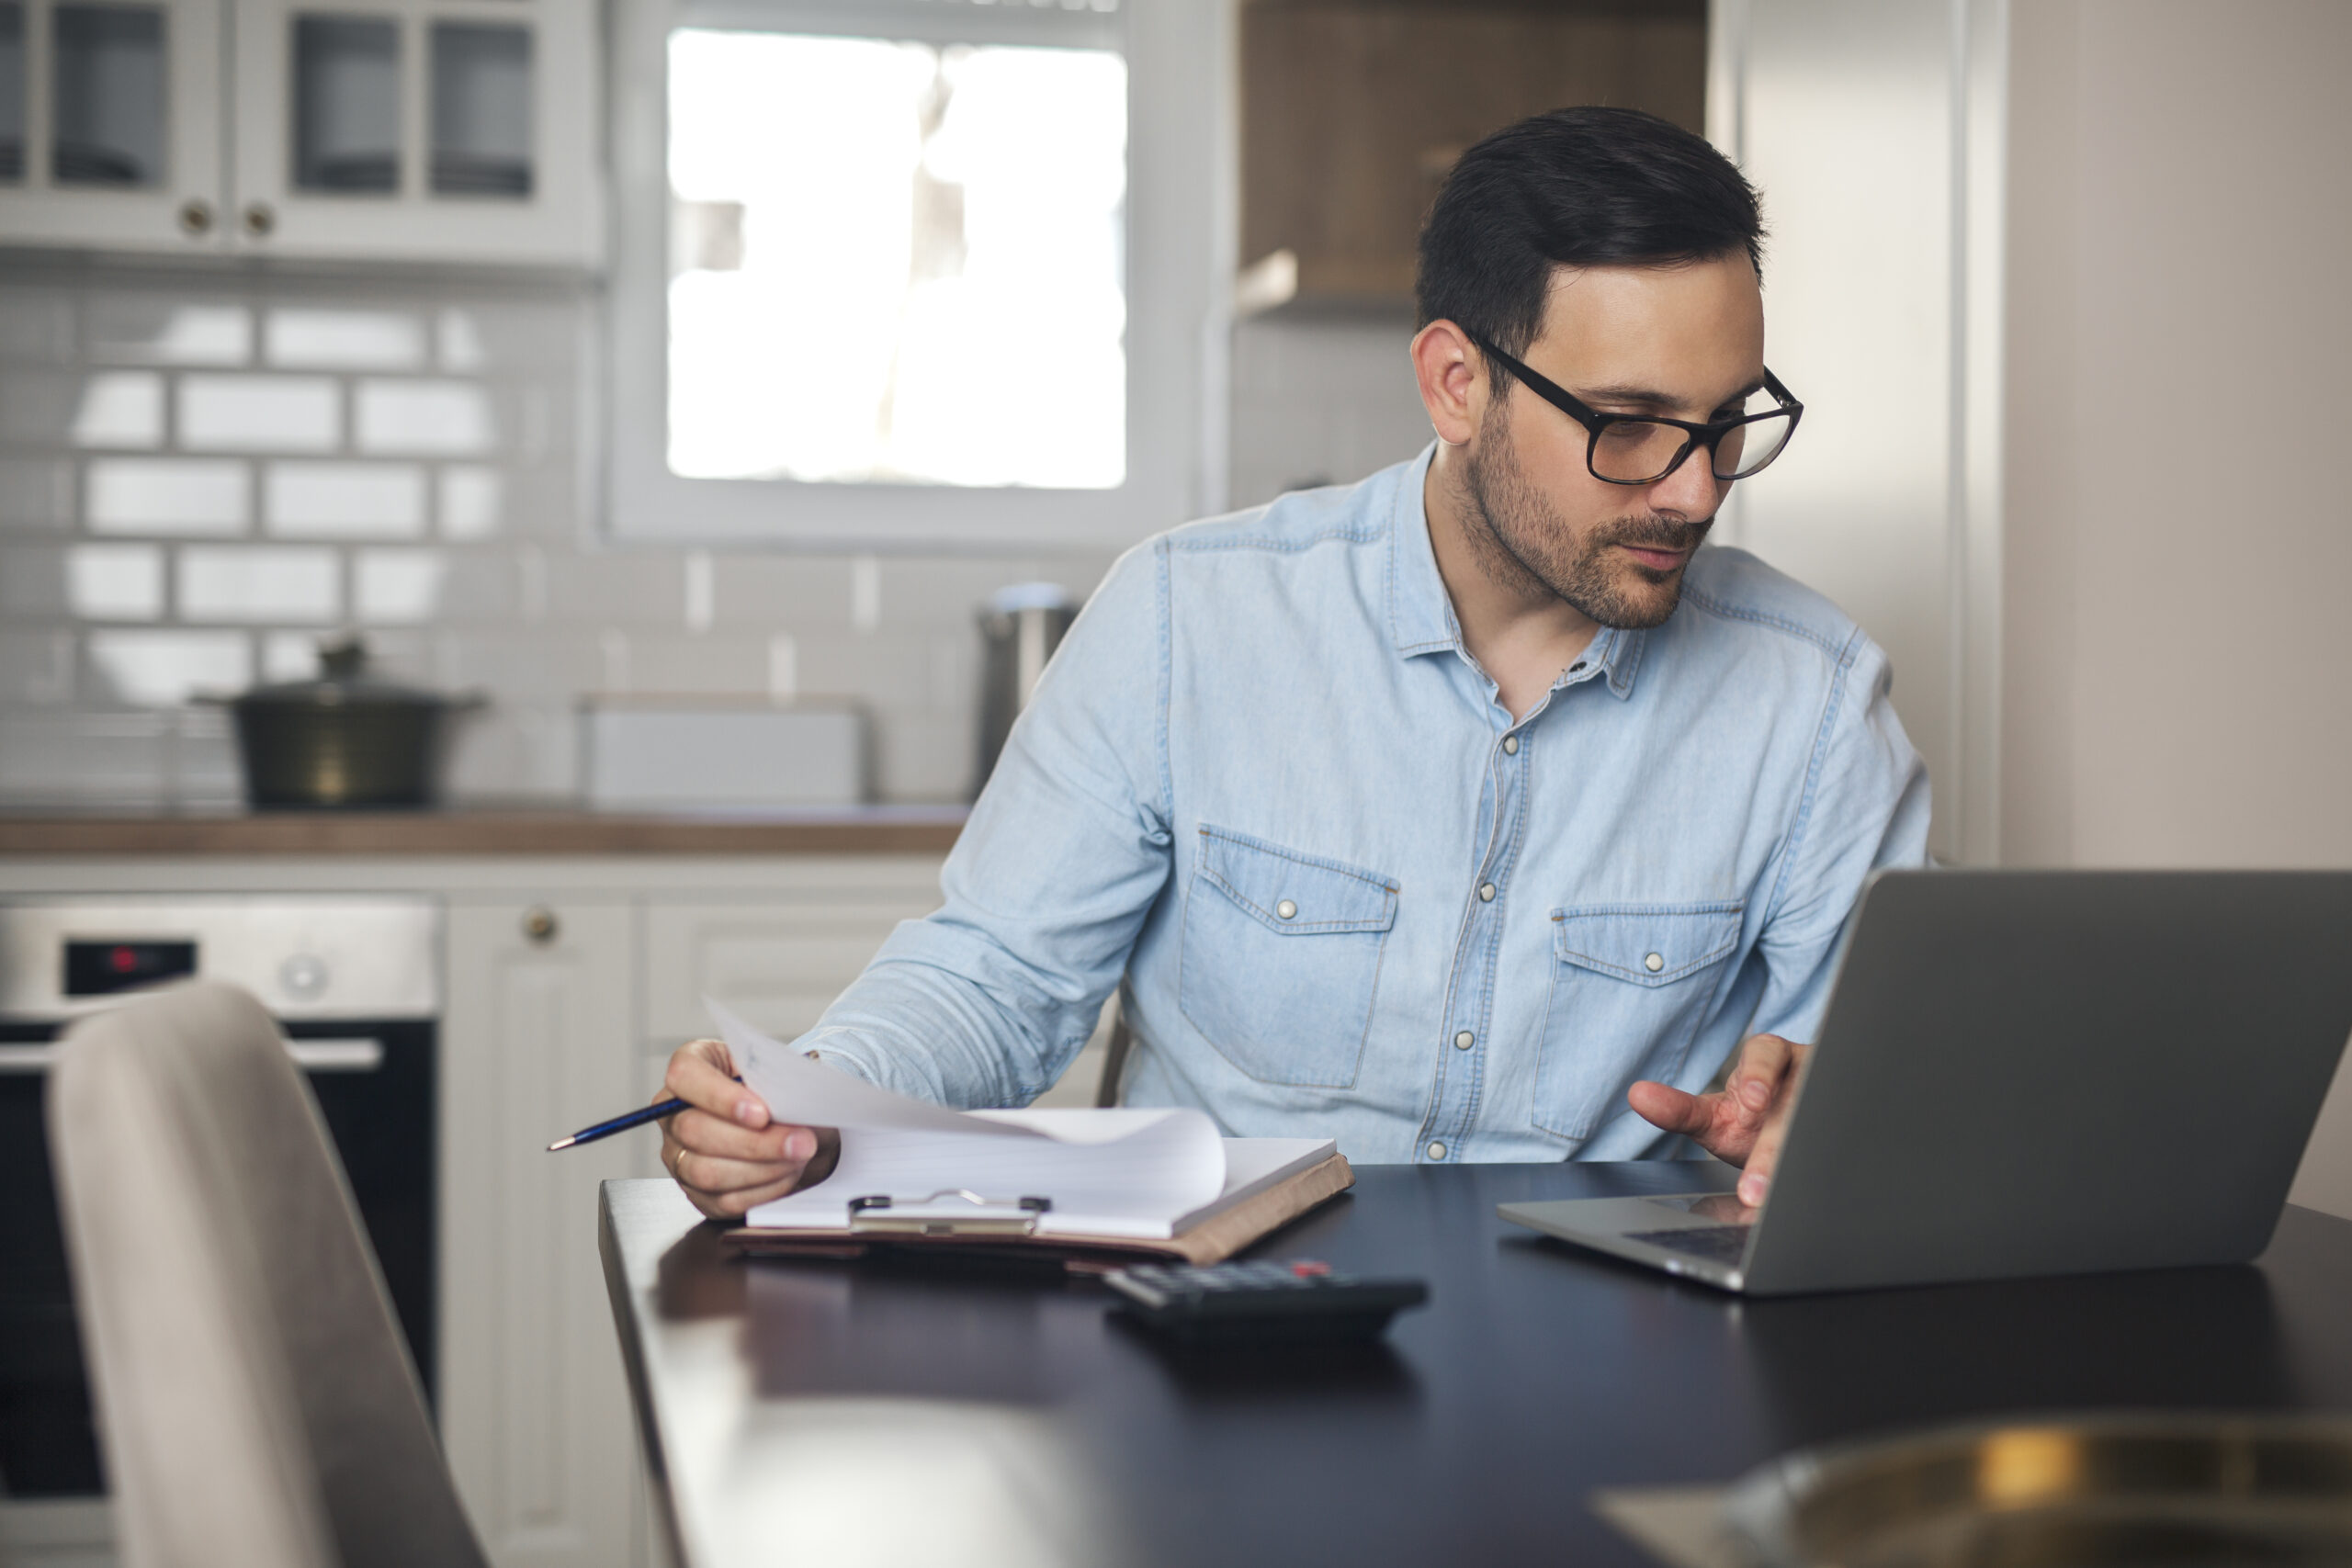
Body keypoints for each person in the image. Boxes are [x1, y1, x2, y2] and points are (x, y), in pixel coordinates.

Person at [660, 106, 1929, 1220]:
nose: (1698, 488)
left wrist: (1835, 1120)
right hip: (1211, 1343)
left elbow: (1864, 1081)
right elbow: (999, 977)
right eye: (1633, 426)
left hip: (1612, 1364)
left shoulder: (1815, 708)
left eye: (1725, 423)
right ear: (1454, 384)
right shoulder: (1185, 620)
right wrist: (805, 1105)